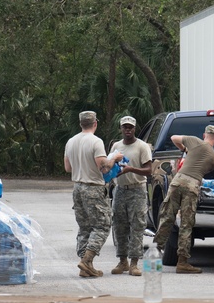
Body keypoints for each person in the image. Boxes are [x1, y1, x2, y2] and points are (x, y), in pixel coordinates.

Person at [153, 124, 214, 273]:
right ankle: (182, 262)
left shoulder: (194, 141)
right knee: (186, 223)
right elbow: (205, 170)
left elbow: (173, 138)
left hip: (178, 181)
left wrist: (184, 149)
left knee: (166, 217)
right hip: (193, 185)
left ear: (204, 135)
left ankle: (153, 258)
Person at [64, 110, 123, 277]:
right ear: (95, 123)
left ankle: (85, 266)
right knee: (102, 225)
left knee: (85, 227)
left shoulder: (71, 141)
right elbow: (103, 167)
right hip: (93, 188)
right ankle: (87, 260)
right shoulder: (96, 141)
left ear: (80, 123)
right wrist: (114, 159)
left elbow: (67, 168)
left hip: (77, 187)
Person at [109, 115, 153, 276]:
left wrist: (130, 169)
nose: (128, 130)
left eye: (130, 127)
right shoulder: (116, 146)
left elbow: (149, 170)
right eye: (125, 127)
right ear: (121, 128)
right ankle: (123, 262)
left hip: (137, 190)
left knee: (137, 226)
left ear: (135, 129)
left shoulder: (142, 146)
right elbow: (109, 165)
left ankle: (134, 263)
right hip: (120, 189)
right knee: (119, 226)